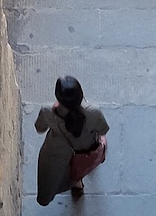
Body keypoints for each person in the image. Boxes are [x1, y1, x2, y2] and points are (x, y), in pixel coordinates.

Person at [34, 75, 110, 205]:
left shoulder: (47, 111)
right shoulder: (93, 112)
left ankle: (75, 184)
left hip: (56, 152)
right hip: (84, 149)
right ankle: (78, 182)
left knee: (55, 175)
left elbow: (40, 128)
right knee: (78, 166)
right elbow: (103, 131)